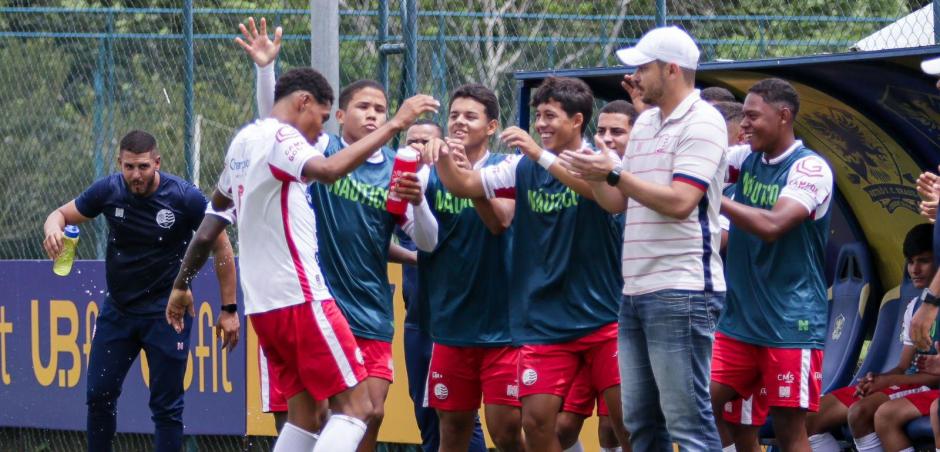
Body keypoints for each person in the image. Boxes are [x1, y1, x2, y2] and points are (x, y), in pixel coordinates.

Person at [167, 62, 439, 451]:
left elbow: (211, 223)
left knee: (306, 418)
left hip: (263, 307)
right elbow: (328, 170)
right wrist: (395, 124)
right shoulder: (283, 138)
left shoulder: (243, 142)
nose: (318, 131)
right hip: (301, 298)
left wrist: (181, 284)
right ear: (304, 102)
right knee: (358, 409)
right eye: (321, 118)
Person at [241, 20, 439, 451]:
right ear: (340, 115)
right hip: (314, 305)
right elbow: (275, 127)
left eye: (381, 109)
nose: (373, 114)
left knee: (369, 415)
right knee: (314, 418)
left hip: (369, 310)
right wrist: (265, 73)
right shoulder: (321, 151)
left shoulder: (397, 169)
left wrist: (419, 200)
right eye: (363, 106)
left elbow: (424, 242)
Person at [424, 75, 629, 452]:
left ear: (577, 120)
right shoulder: (519, 169)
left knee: (624, 424)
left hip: (603, 317)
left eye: (550, 116)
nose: (541, 124)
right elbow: (465, 186)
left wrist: (539, 154)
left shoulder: (603, 161)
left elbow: (605, 196)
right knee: (535, 424)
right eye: (538, 116)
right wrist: (443, 158)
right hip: (544, 322)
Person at [560, 26, 727, 450]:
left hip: (682, 290)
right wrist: (596, 173)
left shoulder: (704, 121)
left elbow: (680, 201)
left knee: (687, 423)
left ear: (671, 69)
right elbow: (616, 201)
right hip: (634, 290)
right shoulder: (648, 121)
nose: (635, 77)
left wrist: (613, 172)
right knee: (637, 423)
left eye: (643, 67)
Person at [41, 130, 238, 452]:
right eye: (129, 167)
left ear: (157, 162)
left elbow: (222, 247)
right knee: (99, 396)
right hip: (118, 313)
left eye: (143, 166)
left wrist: (228, 310)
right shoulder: (108, 190)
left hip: (167, 314)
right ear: (119, 163)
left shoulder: (184, 197)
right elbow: (60, 214)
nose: (136, 175)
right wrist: (53, 228)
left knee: (166, 408)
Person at [708, 78, 833, 452]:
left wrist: (712, 196)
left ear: (783, 116)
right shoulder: (745, 159)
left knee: (788, 430)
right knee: (698, 404)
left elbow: (773, 226)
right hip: (739, 322)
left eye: (751, 116)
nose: (743, 126)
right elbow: (694, 172)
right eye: (742, 117)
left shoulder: (810, 168)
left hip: (791, 323)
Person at [416, 83, 526, 452]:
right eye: (454, 115)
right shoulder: (433, 172)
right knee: (453, 429)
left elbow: (501, 223)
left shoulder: (506, 168)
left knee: (506, 429)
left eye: (470, 116)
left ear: (491, 126)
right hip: (451, 323)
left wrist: (468, 181)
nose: (459, 122)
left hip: (503, 326)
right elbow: (418, 234)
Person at [798, 224, 938, 451]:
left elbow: (934, 377)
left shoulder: (935, 310)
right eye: (910, 262)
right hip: (909, 381)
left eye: (923, 260)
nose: (914, 269)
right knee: (810, 417)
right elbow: (903, 366)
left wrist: (889, 382)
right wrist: (875, 379)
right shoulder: (914, 307)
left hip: (928, 389)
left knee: (860, 412)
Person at [398, 119, 488, 452]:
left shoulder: (451, 184)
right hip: (417, 320)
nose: (417, 148)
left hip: (450, 322)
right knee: (425, 418)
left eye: (425, 142)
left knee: (457, 419)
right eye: (411, 141)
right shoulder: (402, 184)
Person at [556, 99, 637, 452]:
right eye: (601, 131)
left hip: (623, 321)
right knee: (560, 427)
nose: (607, 138)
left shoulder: (649, 180)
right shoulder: (576, 172)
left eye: (617, 131)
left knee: (616, 427)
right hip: (577, 320)